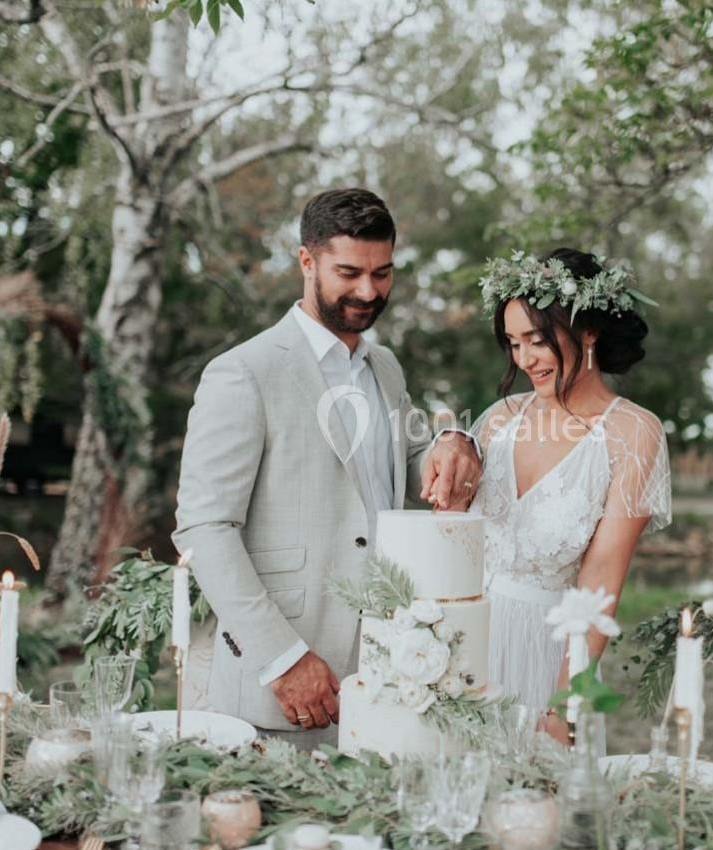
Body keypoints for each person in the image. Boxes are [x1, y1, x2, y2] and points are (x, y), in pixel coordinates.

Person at [172, 188, 481, 749]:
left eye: (383, 273)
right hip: (281, 679)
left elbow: (410, 462)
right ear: (306, 261)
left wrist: (451, 438)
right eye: (349, 272)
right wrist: (283, 658)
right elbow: (203, 528)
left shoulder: (384, 366)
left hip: (387, 672)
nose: (368, 291)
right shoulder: (244, 372)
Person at [466, 248, 672, 741]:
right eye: (514, 344)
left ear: (588, 332)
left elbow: (601, 580)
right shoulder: (500, 420)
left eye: (537, 341)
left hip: (549, 650)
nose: (524, 360)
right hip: (464, 645)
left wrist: (566, 701)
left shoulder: (633, 433)